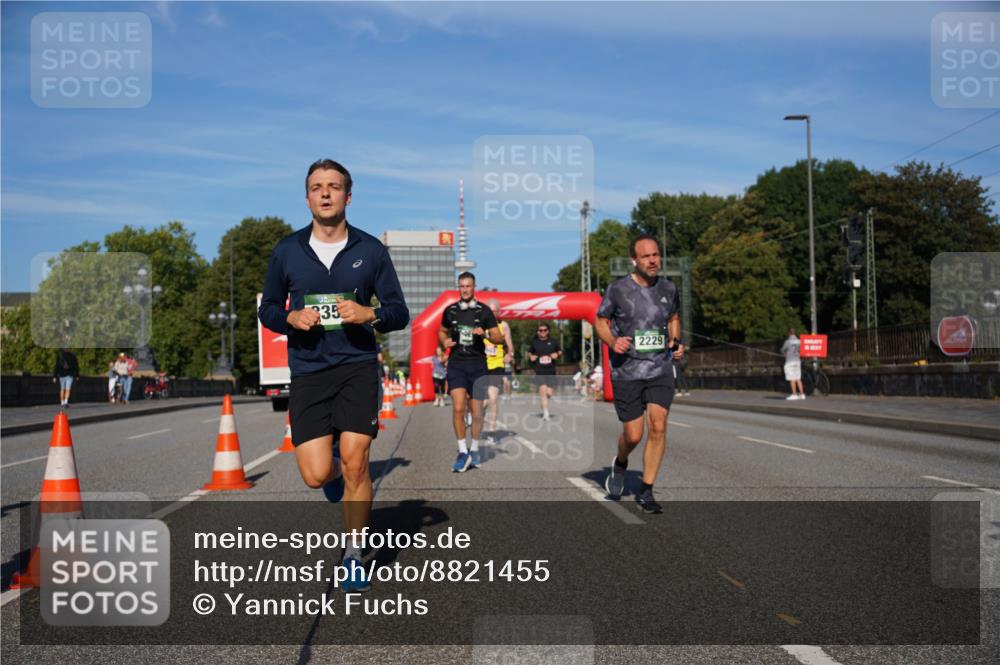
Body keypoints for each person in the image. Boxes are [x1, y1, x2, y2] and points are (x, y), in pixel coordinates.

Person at [258, 158, 408, 592]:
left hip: (357, 367)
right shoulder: (286, 250)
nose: (325, 193)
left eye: (334, 186)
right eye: (317, 187)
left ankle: (354, 553)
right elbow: (268, 308)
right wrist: (290, 317)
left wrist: (369, 313)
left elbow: (399, 312)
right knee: (316, 474)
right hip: (308, 371)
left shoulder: (370, 250)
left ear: (348, 195)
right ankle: (336, 479)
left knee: (359, 461)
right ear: (307, 197)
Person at [596, 234, 683, 514]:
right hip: (627, 371)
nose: (653, 260)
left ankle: (646, 491)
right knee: (634, 435)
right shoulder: (618, 289)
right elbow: (600, 320)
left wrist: (675, 343)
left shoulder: (669, 288)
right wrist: (612, 341)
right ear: (634, 260)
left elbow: (673, 319)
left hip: (659, 369)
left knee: (658, 425)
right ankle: (620, 463)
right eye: (646, 256)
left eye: (656, 254)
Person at [439, 272, 504, 472]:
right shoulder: (450, 311)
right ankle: (462, 450)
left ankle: (474, 448)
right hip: (457, 363)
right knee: (458, 408)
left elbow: (498, 338)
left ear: (474, 287)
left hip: (477, 365)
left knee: (476, 412)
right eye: (461, 286)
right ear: (458, 287)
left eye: (468, 286)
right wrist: (444, 342)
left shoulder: (484, 311)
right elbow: (442, 331)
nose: (465, 289)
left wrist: (484, 334)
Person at [482, 299, 514, 443]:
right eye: (490, 311)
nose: (493, 314)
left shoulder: (504, 326)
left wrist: (509, 354)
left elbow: (510, 345)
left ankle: (491, 432)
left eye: (495, 312)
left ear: (499, 312)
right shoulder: (480, 325)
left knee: (493, 399)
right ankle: (476, 418)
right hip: (481, 365)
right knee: (482, 403)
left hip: (496, 366)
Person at [527, 323, 561, 420]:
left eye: (545, 330)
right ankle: (546, 413)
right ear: (538, 332)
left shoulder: (553, 342)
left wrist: (557, 355)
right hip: (539, 370)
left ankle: (544, 402)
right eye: (540, 330)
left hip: (551, 370)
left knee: (549, 393)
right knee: (542, 391)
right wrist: (531, 356)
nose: (543, 332)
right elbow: (529, 352)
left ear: (548, 331)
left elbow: (560, 351)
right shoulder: (535, 342)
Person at [781, 328, 804, 400]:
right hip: (797, 361)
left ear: (789, 333)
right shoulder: (799, 341)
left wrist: (785, 354)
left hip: (790, 361)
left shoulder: (787, 342)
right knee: (798, 378)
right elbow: (801, 351)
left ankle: (794, 394)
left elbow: (782, 350)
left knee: (792, 378)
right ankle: (802, 394)